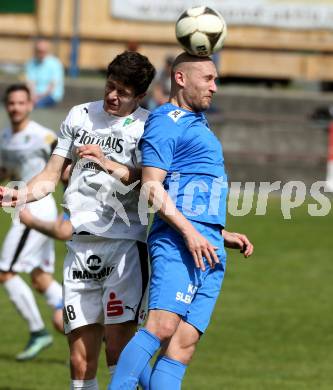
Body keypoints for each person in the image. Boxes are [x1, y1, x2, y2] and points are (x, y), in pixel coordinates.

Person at [0, 51, 156, 389]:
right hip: (80, 246)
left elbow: (153, 180)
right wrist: (20, 194)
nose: (112, 96)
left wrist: (110, 164)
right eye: (110, 86)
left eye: (123, 92)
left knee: (118, 349)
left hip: (125, 244)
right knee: (80, 358)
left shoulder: (148, 126)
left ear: (139, 96)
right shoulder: (80, 115)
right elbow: (51, 173)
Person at [109, 53, 254, 389]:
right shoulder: (165, 121)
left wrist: (218, 231)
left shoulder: (196, 123)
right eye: (208, 78)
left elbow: (189, 186)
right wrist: (190, 233)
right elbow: (151, 186)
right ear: (180, 78)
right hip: (179, 241)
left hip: (208, 243)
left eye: (216, 79)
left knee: (182, 347)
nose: (214, 87)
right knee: (160, 327)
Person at [0, 84, 63, 361]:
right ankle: (84, 317)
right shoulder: (4, 137)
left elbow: (64, 168)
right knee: (40, 278)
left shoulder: (43, 136)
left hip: (35, 209)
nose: (15, 108)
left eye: (20, 103)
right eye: (11, 103)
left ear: (30, 105)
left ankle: (39, 331)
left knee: (5, 271)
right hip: (21, 205)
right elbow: (6, 171)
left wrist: (71, 208)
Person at [25, 39, 64, 108]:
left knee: (37, 105)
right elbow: (30, 83)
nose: (41, 53)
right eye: (39, 51)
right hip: (34, 95)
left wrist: (39, 97)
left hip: (51, 95)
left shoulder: (55, 63)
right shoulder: (31, 63)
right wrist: (33, 96)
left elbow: (52, 85)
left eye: (43, 51)